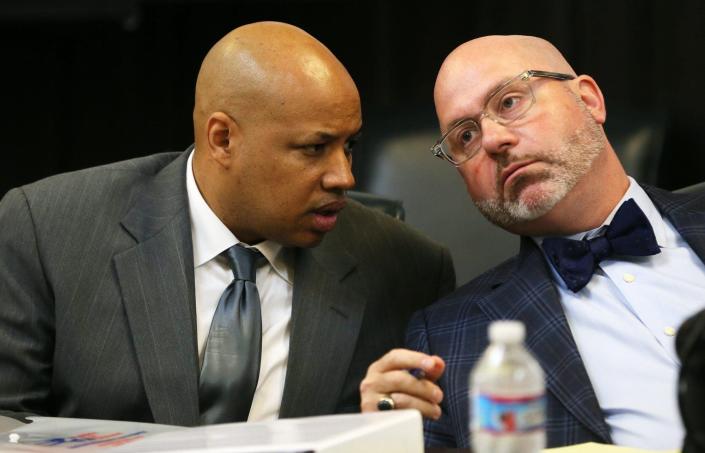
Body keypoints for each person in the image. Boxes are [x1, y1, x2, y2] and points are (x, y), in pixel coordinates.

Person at [0, 21, 455, 426]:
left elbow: (427, 431)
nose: (344, 176)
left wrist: (383, 426)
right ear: (223, 139)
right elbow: (7, 425)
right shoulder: (49, 228)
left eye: (349, 145)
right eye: (314, 148)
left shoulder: (406, 267)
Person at [364, 35, 705, 450]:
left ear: (589, 100)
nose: (492, 140)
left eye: (509, 102)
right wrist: (384, 436)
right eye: (465, 137)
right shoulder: (446, 342)